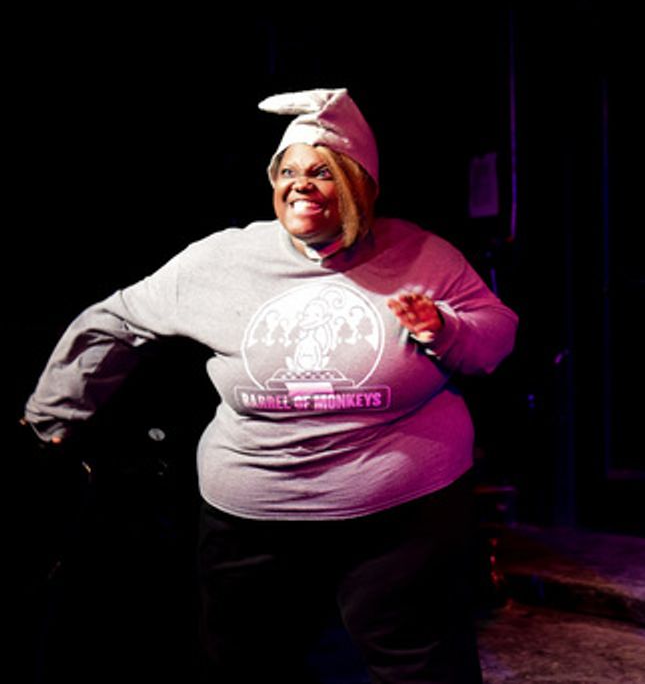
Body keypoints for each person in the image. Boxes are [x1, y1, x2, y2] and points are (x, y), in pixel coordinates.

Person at [23, 88, 518, 683]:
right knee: (244, 667)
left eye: (322, 172)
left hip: (402, 512)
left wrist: (444, 329)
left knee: (421, 667)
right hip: (253, 514)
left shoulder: (420, 253)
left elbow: (497, 335)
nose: (300, 184)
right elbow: (115, 320)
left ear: (360, 185)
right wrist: (51, 421)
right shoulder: (223, 260)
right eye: (288, 171)